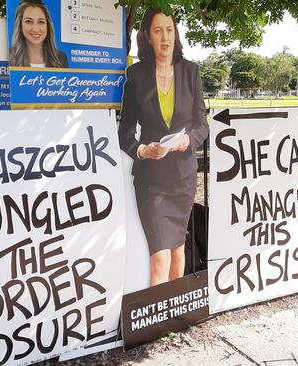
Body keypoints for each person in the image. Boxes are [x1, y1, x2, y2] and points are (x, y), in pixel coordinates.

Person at [118, 8, 209, 287]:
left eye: (169, 29)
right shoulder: (135, 76)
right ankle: (159, 326)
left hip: (183, 179)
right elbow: (125, 132)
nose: (165, 37)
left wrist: (188, 141)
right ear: (147, 36)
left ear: (175, 33)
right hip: (151, 181)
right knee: (159, 256)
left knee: (178, 248)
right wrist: (142, 150)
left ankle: (174, 313)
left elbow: (202, 125)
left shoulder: (190, 72)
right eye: (158, 30)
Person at [10, 0, 68, 68]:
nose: (35, 29)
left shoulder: (61, 58)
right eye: (28, 21)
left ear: (47, 26)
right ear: (20, 25)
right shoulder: (10, 56)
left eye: (41, 22)